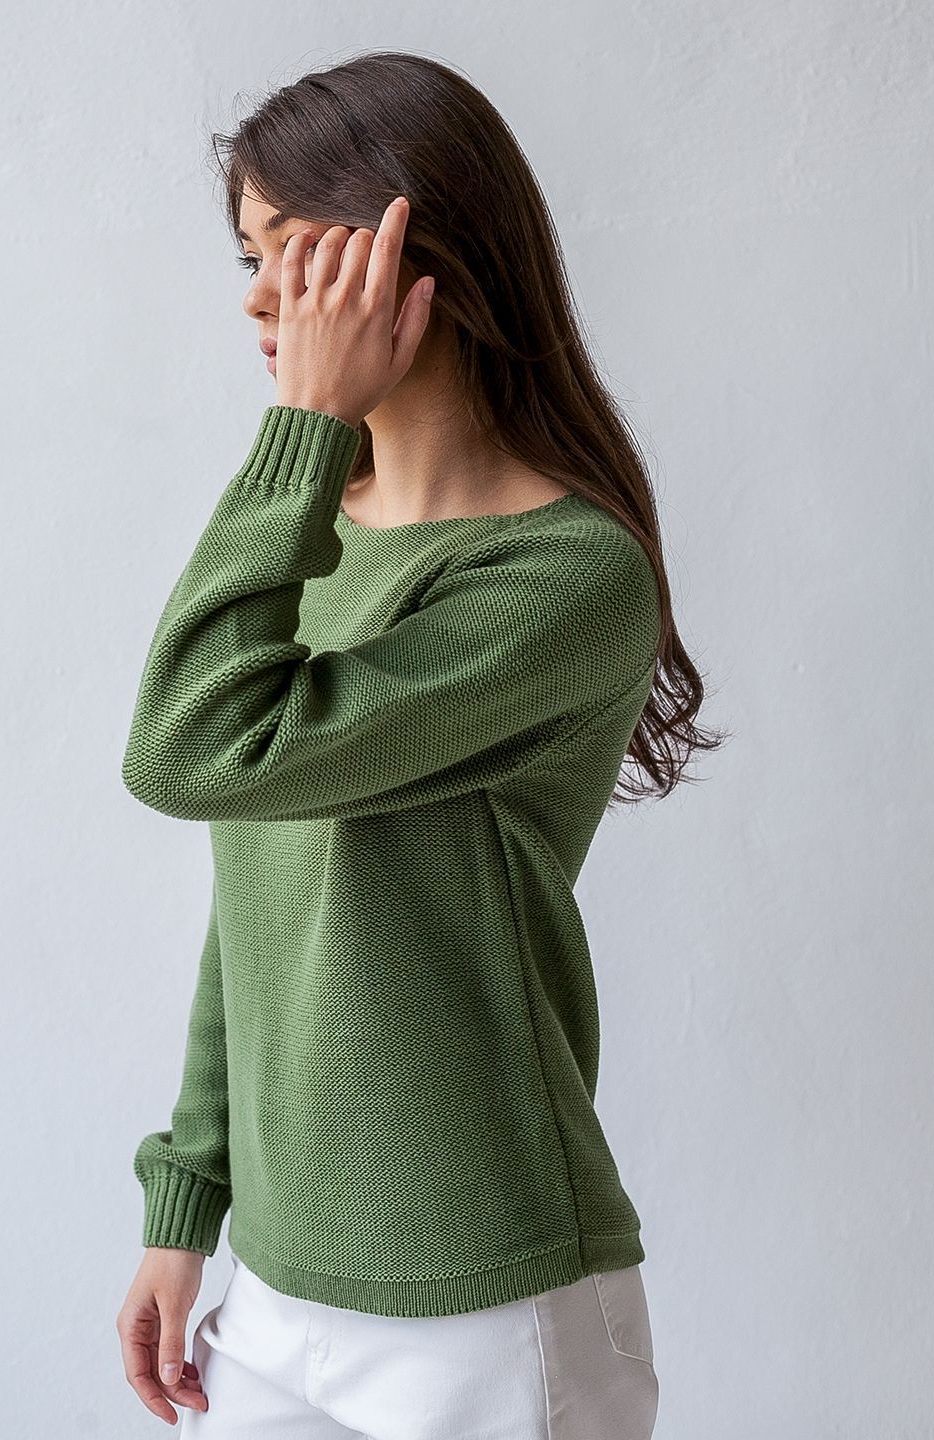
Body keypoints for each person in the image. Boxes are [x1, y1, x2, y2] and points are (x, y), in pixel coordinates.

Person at [115, 50, 724, 1439]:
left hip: (488, 1309)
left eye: (295, 251)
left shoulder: (564, 577)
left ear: (414, 251)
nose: (260, 300)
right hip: (274, 1289)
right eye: (252, 257)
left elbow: (186, 749)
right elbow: (255, 892)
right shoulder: (309, 534)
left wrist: (303, 428)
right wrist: (186, 1204)